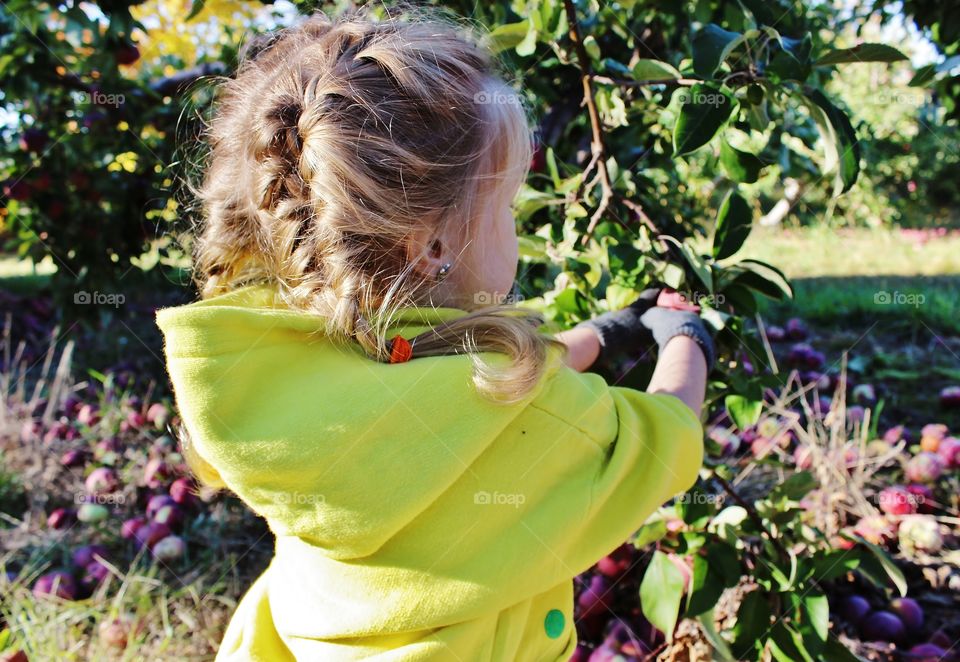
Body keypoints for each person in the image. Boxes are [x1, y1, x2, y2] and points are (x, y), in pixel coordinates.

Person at [157, 9, 712, 661]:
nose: (516, 223)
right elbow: (655, 440)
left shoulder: (294, 369)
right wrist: (686, 336)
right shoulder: (528, 421)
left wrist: (600, 334)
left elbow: (466, 369)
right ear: (433, 244)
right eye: (506, 204)